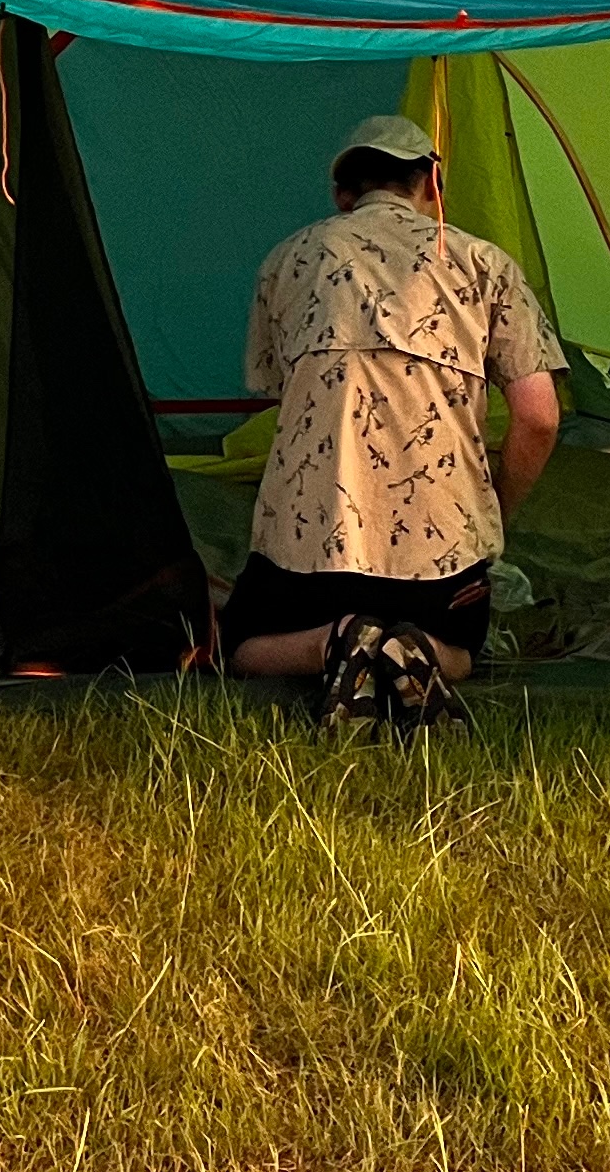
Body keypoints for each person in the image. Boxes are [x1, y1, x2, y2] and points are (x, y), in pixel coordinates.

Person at [223, 113, 564, 733]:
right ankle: (418, 651)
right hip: (440, 562)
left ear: (342, 196)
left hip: (310, 555)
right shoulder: (485, 263)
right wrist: (492, 514)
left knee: (243, 645)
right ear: (432, 182)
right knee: (461, 649)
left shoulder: (287, 260)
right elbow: (539, 417)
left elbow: (276, 387)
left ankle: (337, 643)